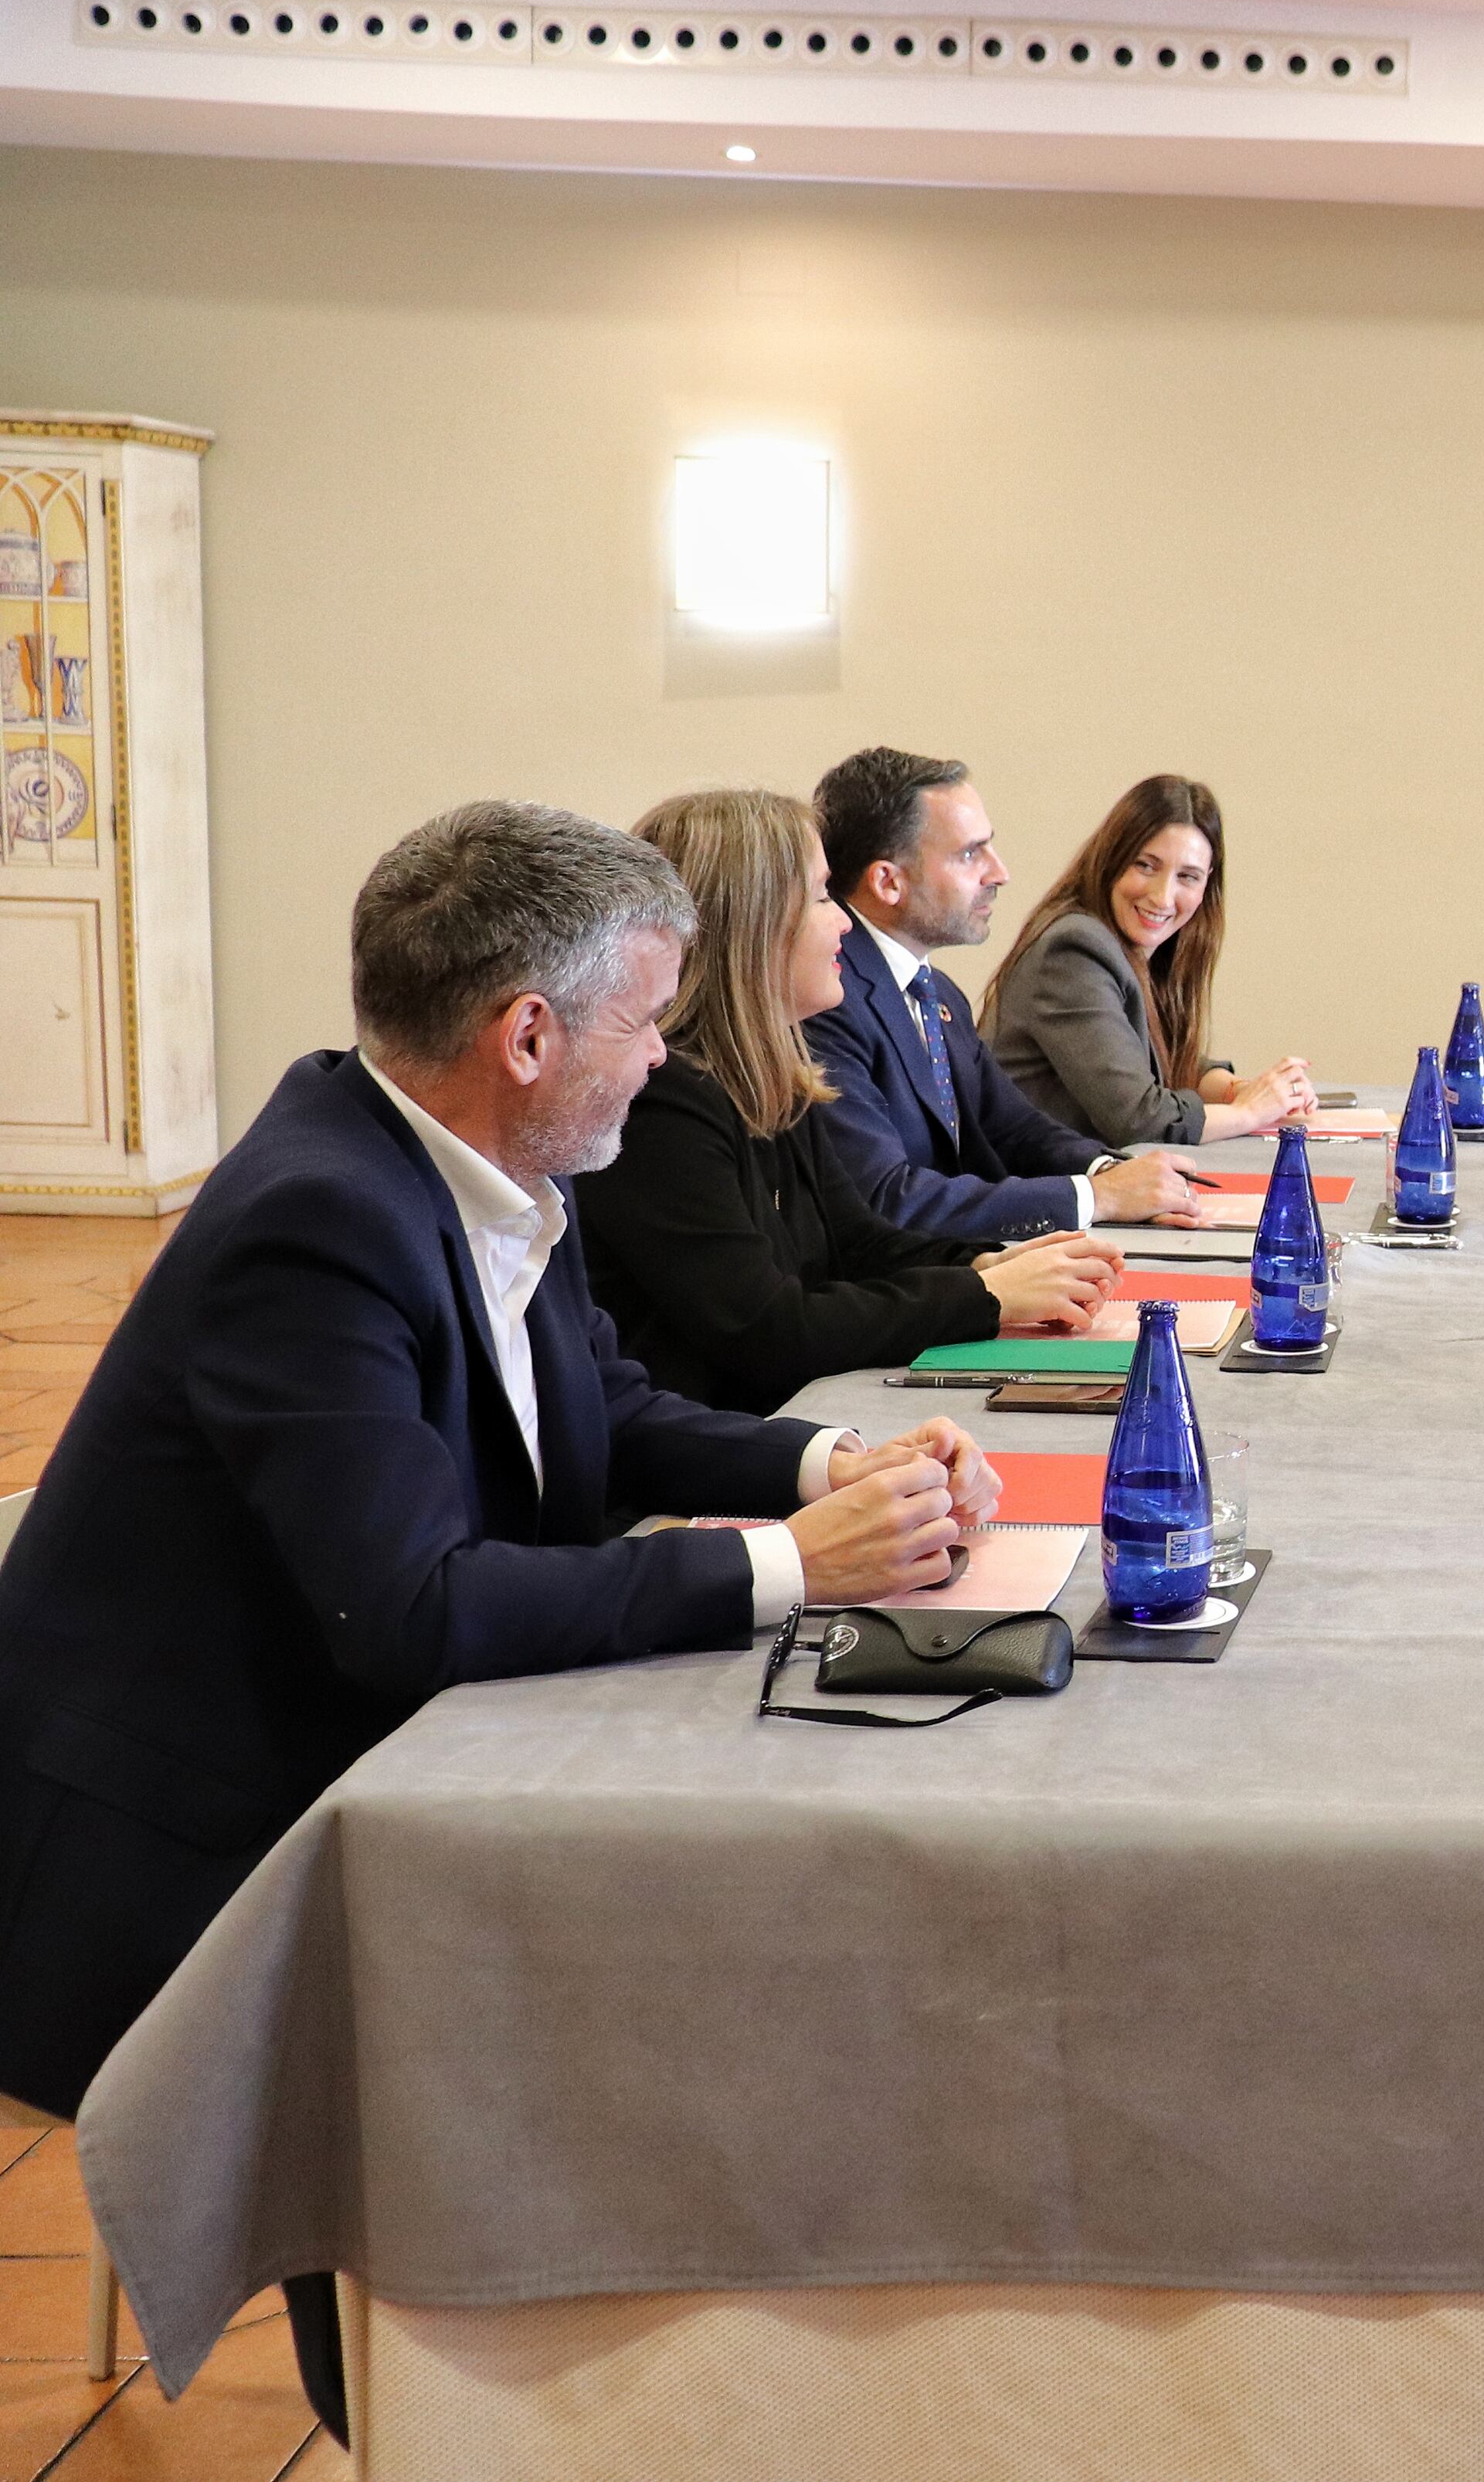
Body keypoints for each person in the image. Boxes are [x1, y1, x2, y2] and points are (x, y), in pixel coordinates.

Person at [0, 801, 993, 2443]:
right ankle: (463, 2425)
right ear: (527, 1031)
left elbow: (601, 1402)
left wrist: (836, 1457)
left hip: (342, 1753)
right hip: (171, 1851)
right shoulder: (315, 1224)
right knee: (559, 2031)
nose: (667, 1058)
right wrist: (791, 1565)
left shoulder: (482, 1158)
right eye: (651, 1017)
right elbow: (413, 1606)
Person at [577, 789, 1120, 1417]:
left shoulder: (773, 1074)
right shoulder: (663, 1103)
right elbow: (771, 1331)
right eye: (820, 896)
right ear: (752, 928)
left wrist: (991, 1261)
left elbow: (862, 1242)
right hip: (709, 1463)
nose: (843, 921)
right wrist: (984, 1294)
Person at [803, 745, 1212, 1241]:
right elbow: (888, 1198)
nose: (999, 873)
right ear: (889, 882)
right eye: (971, 853)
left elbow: (1013, 1128)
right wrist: (1097, 1197)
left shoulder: (938, 993)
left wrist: (1109, 1172)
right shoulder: (826, 998)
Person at [983, 776, 1312, 1148]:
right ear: (1111, 859)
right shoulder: (1074, 950)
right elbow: (1140, 1120)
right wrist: (1249, 1112)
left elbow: (1153, 1060)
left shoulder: (1139, 945)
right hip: (1037, 1195)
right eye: (1145, 865)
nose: (1162, 897)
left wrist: (1240, 1090)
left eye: (1187, 877)